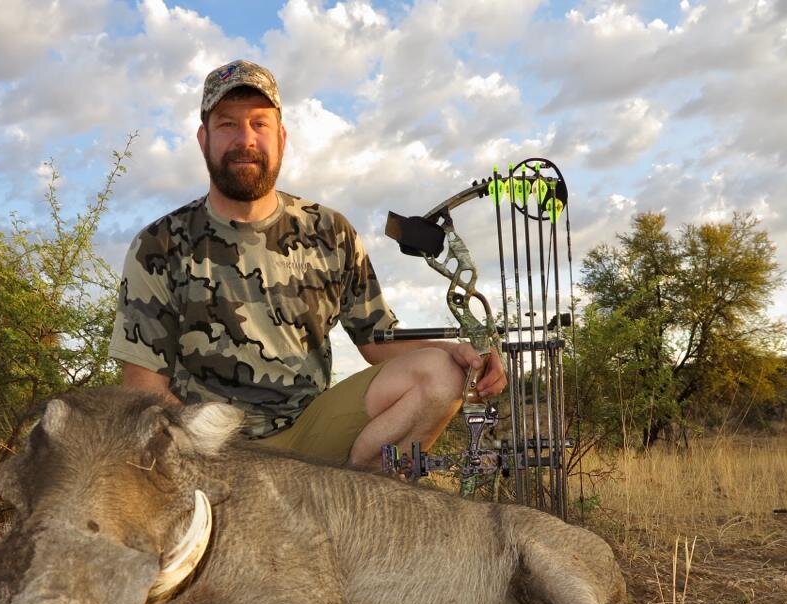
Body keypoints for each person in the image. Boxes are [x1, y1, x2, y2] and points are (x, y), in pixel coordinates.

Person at [110, 60, 506, 468]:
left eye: (259, 124)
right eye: (227, 124)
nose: (244, 139)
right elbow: (143, 389)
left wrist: (462, 352)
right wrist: (213, 456)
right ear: (203, 138)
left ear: (281, 137)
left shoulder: (331, 231)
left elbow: (377, 340)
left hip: (310, 433)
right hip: (209, 449)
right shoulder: (158, 244)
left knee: (442, 375)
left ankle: (359, 507)